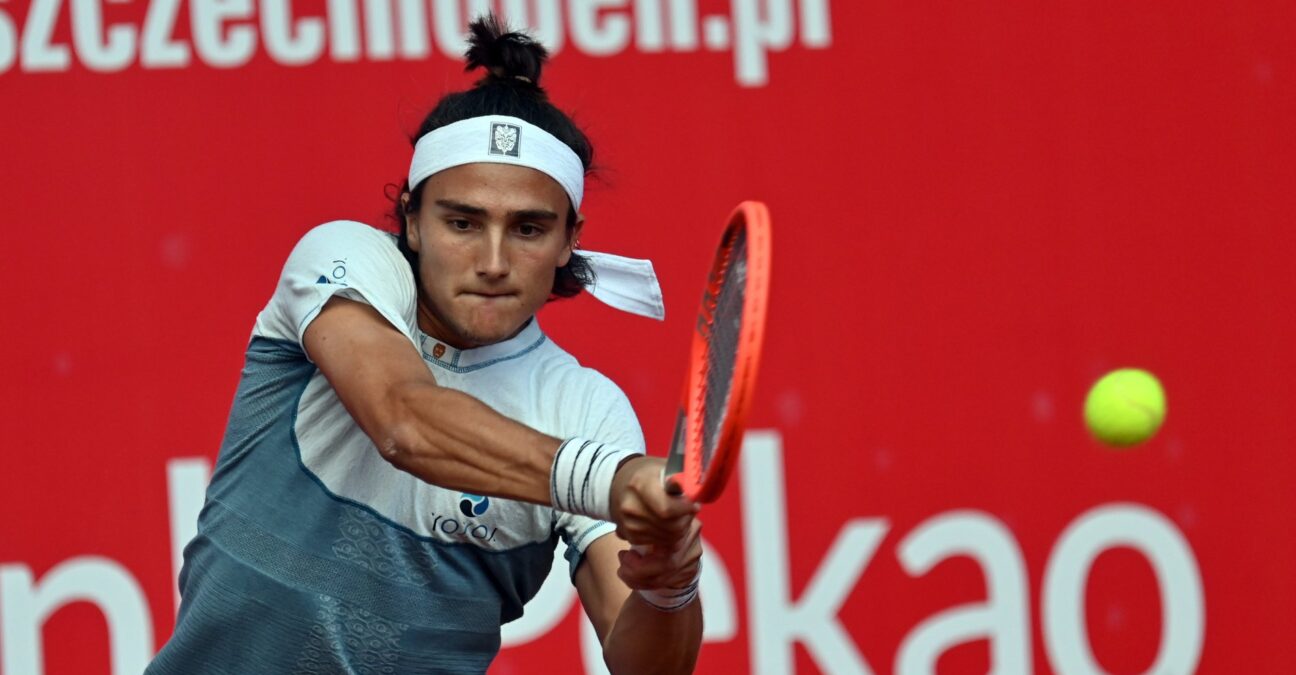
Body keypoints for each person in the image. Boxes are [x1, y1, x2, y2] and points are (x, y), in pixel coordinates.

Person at [147, 15, 703, 675]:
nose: (493, 261)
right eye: (462, 221)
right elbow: (404, 420)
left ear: (568, 239)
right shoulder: (344, 259)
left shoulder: (585, 408)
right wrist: (605, 481)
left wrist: (670, 582)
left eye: (528, 228)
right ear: (411, 215)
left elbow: (649, 667)